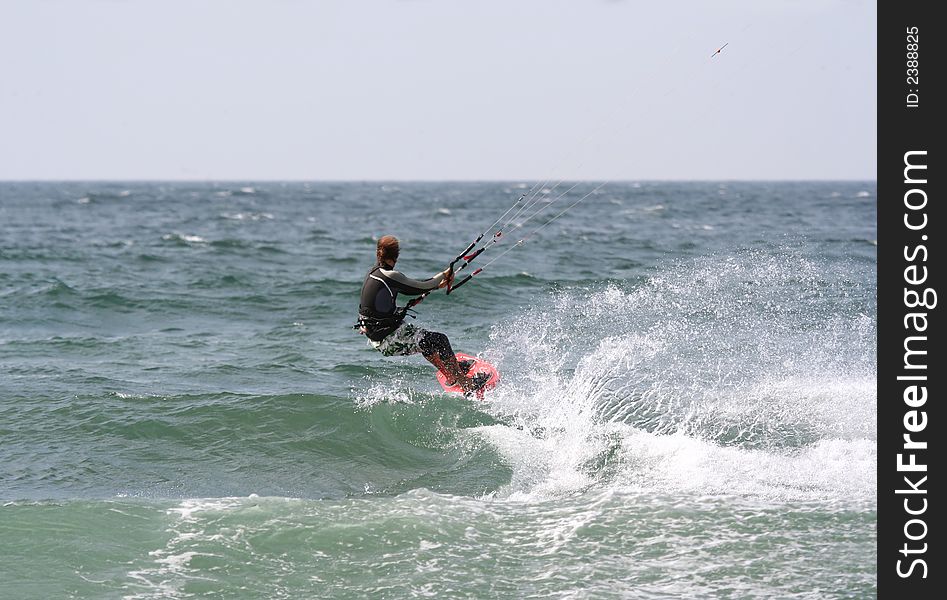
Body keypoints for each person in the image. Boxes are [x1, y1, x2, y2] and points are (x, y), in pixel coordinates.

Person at [357, 235, 488, 395]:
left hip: (379, 333)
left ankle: (453, 374)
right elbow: (422, 287)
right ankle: (465, 383)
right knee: (440, 340)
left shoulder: (374, 273)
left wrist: (436, 283)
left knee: (426, 342)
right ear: (396, 256)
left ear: (378, 253)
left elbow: (405, 291)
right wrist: (445, 274)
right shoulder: (390, 276)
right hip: (386, 339)